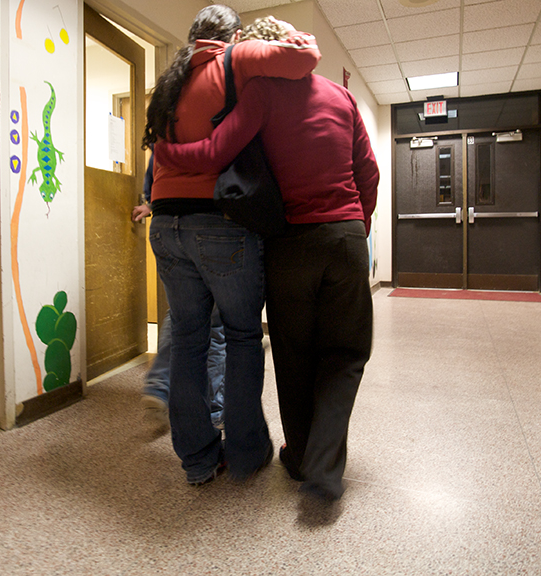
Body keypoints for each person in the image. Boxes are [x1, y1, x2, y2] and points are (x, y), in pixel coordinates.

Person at [153, 16, 379, 500]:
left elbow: (217, 152)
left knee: (290, 357)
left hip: (288, 245)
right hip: (343, 238)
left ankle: (297, 457)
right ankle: (320, 462)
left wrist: (165, 154)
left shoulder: (258, 96)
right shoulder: (341, 97)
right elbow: (370, 174)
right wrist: (356, 228)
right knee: (344, 355)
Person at [143, 6, 321, 485]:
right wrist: (278, 37)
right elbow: (306, 57)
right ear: (233, 36)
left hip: (165, 226)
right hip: (219, 223)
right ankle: (244, 454)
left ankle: (198, 462)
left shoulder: (168, 81)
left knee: (187, 341)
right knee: (242, 337)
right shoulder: (233, 60)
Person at [133, 150, 225, 432]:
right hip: (215, 222)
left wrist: (152, 202)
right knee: (217, 325)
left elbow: (154, 175)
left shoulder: (167, 122)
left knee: (182, 316)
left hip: (166, 223)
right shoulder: (223, 116)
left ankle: (159, 385)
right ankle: (214, 408)